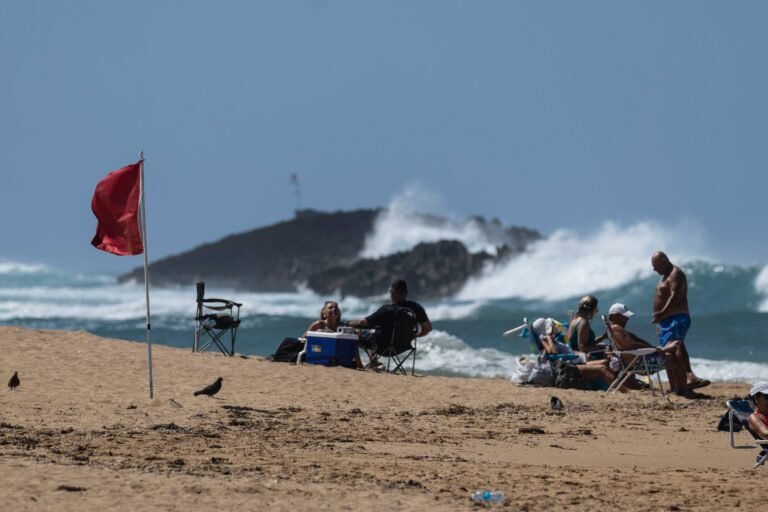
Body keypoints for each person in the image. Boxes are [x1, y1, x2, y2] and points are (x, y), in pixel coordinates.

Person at [651, 251, 710, 395]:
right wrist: (661, 319)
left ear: (664, 260)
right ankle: (677, 388)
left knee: (676, 344)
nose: (654, 269)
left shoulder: (675, 274)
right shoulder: (666, 275)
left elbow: (675, 297)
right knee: (670, 353)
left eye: (656, 265)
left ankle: (690, 376)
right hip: (665, 321)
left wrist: (662, 313)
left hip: (675, 318)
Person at [346, 278, 432, 351]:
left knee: (358, 332)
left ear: (392, 293)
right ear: (406, 293)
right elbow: (428, 328)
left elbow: (363, 323)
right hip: (403, 347)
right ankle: (374, 362)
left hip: (382, 347)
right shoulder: (416, 308)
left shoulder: (386, 310)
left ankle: (366, 363)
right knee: (378, 331)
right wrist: (415, 335)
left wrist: (347, 324)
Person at [605, 303, 677, 390]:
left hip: (633, 362)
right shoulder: (616, 328)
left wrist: (653, 348)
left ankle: (676, 388)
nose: (627, 319)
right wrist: (654, 349)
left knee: (671, 352)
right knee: (672, 357)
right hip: (639, 364)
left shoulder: (614, 329)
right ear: (616, 316)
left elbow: (634, 342)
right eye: (624, 316)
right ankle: (679, 388)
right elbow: (631, 344)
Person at [532, 317, 615, 389]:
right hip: (571, 364)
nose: (554, 327)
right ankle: (618, 389)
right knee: (603, 367)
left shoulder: (552, 339)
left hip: (576, 359)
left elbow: (567, 350)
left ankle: (613, 386)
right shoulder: (545, 339)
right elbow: (554, 354)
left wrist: (583, 355)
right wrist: (549, 336)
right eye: (551, 326)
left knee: (606, 362)